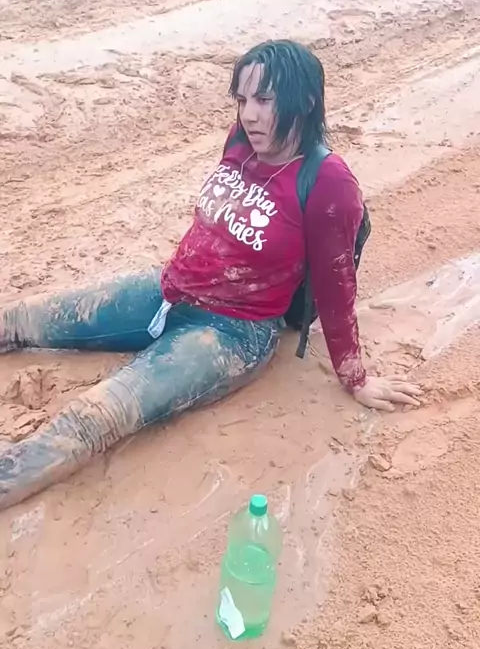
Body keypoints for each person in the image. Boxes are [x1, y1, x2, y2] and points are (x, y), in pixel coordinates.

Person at [0, 39, 421, 510]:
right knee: (21, 319)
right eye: (242, 99)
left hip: (231, 332)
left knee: (95, 416)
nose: (250, 115)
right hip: (169, 288)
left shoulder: (329, 182)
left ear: (304, 101)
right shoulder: (243, 141)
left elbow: (336, 283)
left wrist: (355, 376)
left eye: (265, 100)